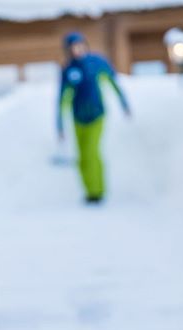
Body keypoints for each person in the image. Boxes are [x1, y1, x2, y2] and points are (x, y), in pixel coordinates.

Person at [57, 32, 130, 203]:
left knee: (92, 152)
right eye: (73, 47)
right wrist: (59, 125)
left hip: (97, 115)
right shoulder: (68, 70)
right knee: (82, 157)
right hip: (78, 118)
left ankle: (98, 191)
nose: (77, 49)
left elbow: (113, 82)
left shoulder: (97, 62)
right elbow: (62, 99)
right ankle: (89, 192)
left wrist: (124, 104)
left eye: (80, 45)